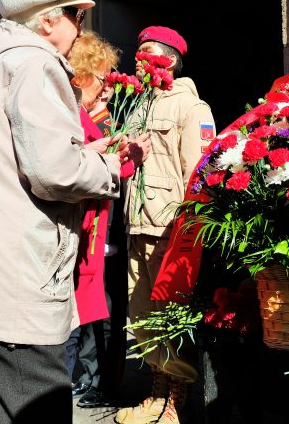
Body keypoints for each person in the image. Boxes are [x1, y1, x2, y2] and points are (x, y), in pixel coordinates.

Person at [0, 0, 127, 424]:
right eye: (76, 15)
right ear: (47, 20)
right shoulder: (37, 62)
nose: (80, 26)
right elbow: (55, 172)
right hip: (20, 281)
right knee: (33, 408)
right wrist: (108, 165)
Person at [116, 26, 216, 424]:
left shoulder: (191, 107)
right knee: (141, 315)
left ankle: (176, 401)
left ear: (170, 59)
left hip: (169, 226)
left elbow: (199, 172)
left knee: (170, 315)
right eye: (137, 53)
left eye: (147, 53)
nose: (138, 59)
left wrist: (191, 227)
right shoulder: (137, 104)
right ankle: (155, 394)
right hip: (137, 223)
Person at [66, 32, 150, 408]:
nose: (109, 86)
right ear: (81, 75)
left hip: (109, 232)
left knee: (105, 313)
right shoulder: (69, 115)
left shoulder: (116, 117)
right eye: (103, 78)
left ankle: (101, 381)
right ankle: (80, 379)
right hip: (80, 231)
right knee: (79, 312)